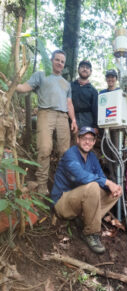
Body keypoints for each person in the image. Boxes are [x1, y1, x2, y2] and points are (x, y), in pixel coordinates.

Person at [51, 126, 122, 254]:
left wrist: (112, 187)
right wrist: (107, 182)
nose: (87, 142)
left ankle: (86, 219)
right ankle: (90, 233)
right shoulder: (70, 154)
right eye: (84, 138)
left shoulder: (92, 157)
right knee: (93, 186)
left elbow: (100, 176)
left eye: (90, 139)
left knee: (115, 192)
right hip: (62, 202)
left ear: (94, 142)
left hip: (79, 200)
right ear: (78, 139)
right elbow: (80, 176)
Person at [16, 50, 78, 195]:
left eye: (62, 61)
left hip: (63, 117)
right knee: (44, 148)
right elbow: (25, 87)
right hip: (46, 113)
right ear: (51, 60)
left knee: (65, 152)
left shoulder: (66, 84)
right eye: (57, 60)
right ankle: (41, 185)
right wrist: (13, 86)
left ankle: (62, 184)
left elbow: (69, 104)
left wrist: (73, 120)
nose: (59, 63)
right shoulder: (41, 75)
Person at [99, 69, 127, 181]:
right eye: (108, 77)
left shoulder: (121, 93)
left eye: (113, 77)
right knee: (107, 153)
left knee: (117, 153)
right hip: (106, 128)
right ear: (106, 79)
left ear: (116, 79)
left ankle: (120, 178)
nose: (110, 79)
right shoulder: (102, 94)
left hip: (117, 129)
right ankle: (112, 177)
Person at [71, 60, 98, 132]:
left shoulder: (93, 91)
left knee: (86, 141)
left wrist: (95, 126)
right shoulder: (70, 86)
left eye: (87, 68)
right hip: (71, 119)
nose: (85, 69)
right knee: (71, 142)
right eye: (82, 67)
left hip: (88, 120)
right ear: (78, 69)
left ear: (90, 71)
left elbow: (96, 109)